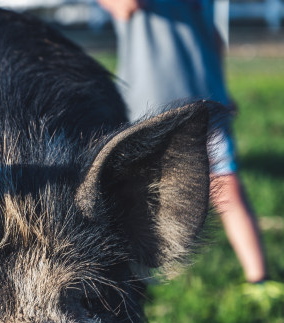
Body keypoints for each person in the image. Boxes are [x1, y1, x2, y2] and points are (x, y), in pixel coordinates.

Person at [98, 0, 270, 284]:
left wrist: (222, 91)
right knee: (132, 195)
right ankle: (128, 281)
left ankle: (259, 279)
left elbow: (211, 35)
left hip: (204, 106)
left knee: (228, 189)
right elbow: (125, 6)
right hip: (144, 110)